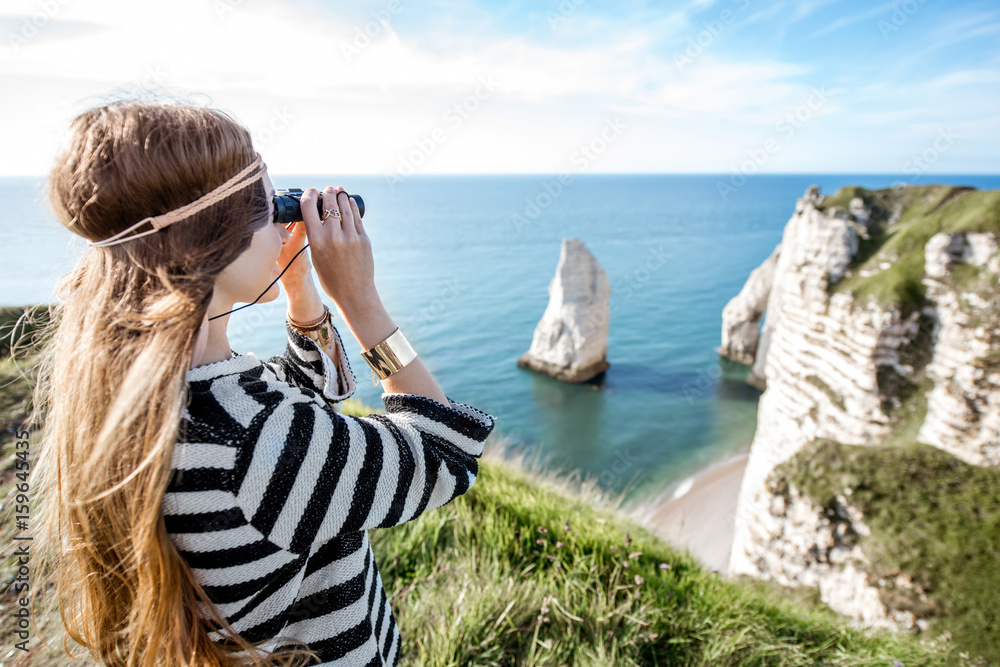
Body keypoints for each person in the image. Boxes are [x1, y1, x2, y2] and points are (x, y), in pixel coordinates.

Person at [27, 99, 496, 667]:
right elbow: (446, 455)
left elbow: (299, 407)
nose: (282, 220)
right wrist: (361, 302)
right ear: (209, 236)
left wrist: (302, 292)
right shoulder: (253, 445)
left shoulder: (146, 391)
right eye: (268, 205)